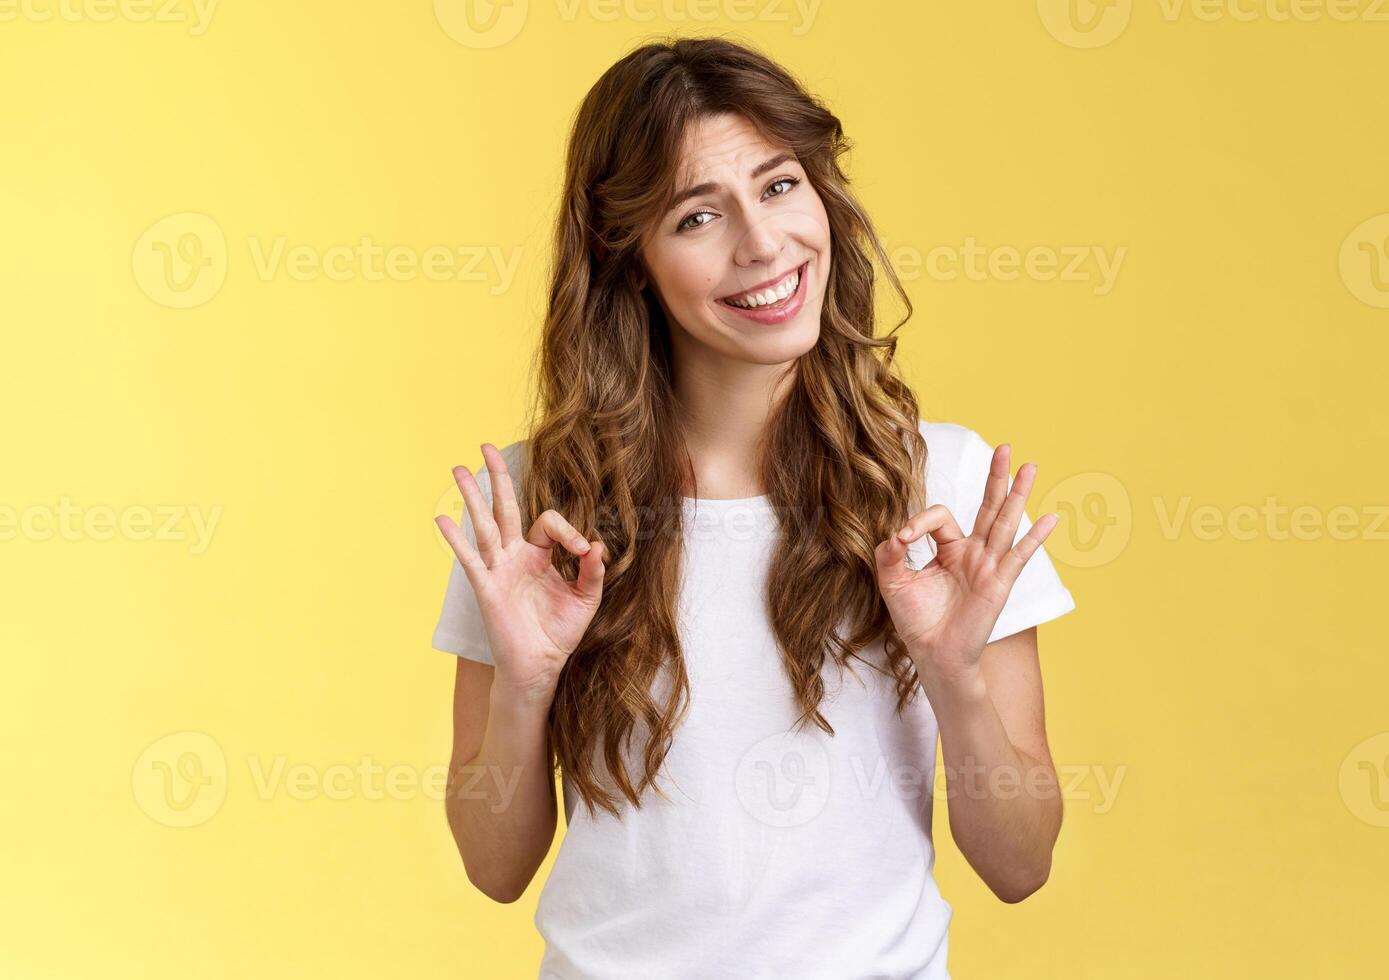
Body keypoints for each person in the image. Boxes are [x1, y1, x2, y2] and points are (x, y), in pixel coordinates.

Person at [429, 37, 1077, 979]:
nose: (763, 245)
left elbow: (1021, 864)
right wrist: (527, 686)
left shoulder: (945, 483)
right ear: (629, 259)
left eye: (780, 187)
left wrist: (952, 673)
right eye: (698, 216)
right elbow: (494, 866)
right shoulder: (539, 512)